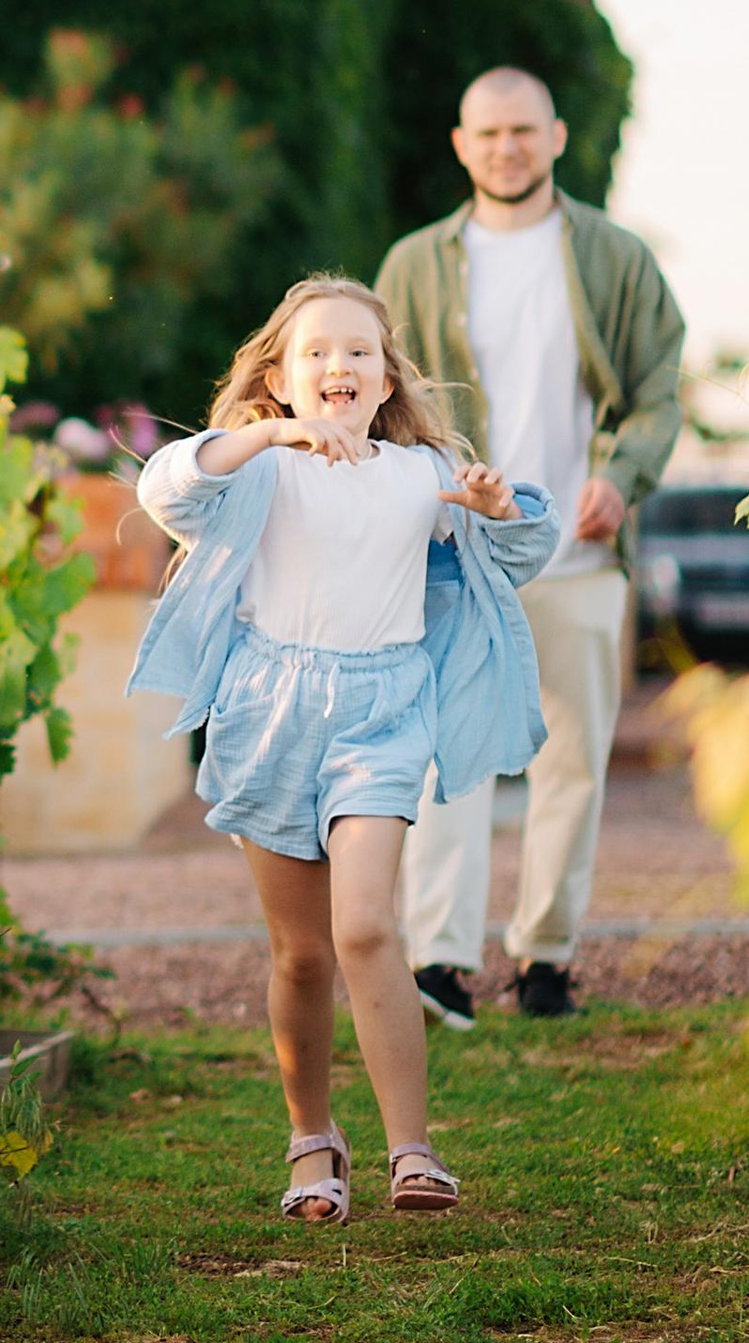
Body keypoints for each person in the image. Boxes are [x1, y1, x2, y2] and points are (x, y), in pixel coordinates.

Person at [130, 278, 556, 1223]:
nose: (339, 366)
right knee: (302, 955)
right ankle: (313, 1139)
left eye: (360, 351)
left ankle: (413, 1149)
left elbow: (529, 546)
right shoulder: (261, 469)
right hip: (269, 712)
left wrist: (497, 506)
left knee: (364, 926)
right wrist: (271, 437)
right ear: (279, 379)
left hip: (382, 711)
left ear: (387, 375)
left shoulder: (423, 471)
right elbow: (166, 485)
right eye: (316, 352)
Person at [377, 66, 686, 1026]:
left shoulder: (615, 257)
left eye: (524, 129)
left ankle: (546, 960)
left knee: (572, 762)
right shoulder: (413, 265)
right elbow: (378, 397)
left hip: (582, 554)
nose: (507, 146)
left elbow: (657, 388)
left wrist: (620, 477)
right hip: (456, 554)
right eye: (488, 132)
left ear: (555, 136)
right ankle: (438, 963)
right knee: (448, 760)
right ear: (463, 146)